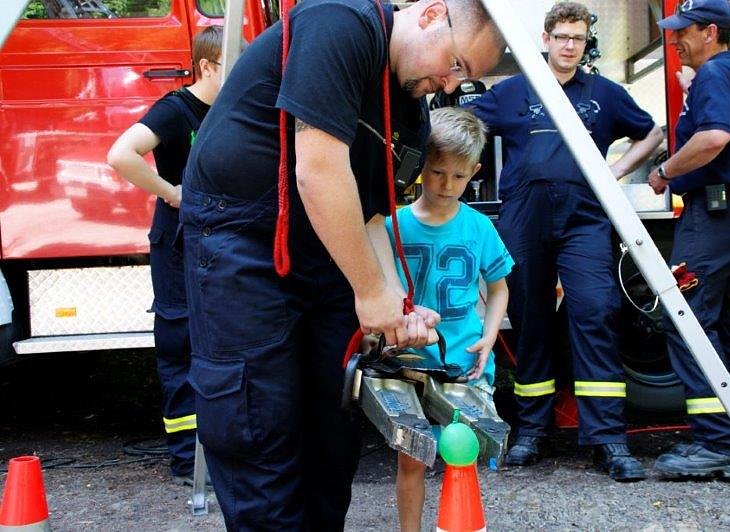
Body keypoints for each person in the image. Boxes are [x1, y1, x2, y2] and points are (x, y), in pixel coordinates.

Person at [178, 0, 505, 529]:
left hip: (327, 248)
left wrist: (396, 304)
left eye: (462, 78)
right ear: (430, 14)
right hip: (242, 237)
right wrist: (372, 293)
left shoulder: (409, 114)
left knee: (332, 433)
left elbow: (373, 219)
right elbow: (319, 167)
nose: (448, 84)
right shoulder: (342, 19)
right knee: (260, 424)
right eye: (457, 63)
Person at [468, 1, 663, 481]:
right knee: (531, 319)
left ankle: (608, 441)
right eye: (562, 37)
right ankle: (532, 432)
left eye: (577, 37)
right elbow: (463, 126)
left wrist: (614, 170)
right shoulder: (515, 90)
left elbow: (652, 132)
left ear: (585, 42)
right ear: (547, 38)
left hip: (584, 221)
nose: (569, 45)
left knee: (595, 311)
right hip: (524, 219)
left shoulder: (603, 94)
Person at [648, 0, 730, 479]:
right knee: (728, 325)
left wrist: (665, 170)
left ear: (711, 32)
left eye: (684, 31)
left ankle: (717, 443)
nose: (676, 40)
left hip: (715, 217)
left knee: (685, 321)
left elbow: (714, 137)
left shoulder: (716, 74)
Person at [106, 25, 223, 485]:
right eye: (231, 70)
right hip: (177, 245)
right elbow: (122, 154)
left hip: (217, 243)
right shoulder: (176, 110)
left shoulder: (231, 110)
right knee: (180, 348)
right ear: (208, 66)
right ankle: (184, 460)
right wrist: (172, 194)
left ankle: (217, 451)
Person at [388, 107, 513, 532]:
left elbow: (498, 288)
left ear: (474, 171)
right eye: (438, 172)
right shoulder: (391, 226)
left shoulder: (479, 227)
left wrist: (491, 336)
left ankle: (461, 524)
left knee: (464, 456)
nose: (447, 185)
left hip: (466, 364)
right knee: (412, 459)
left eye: (459, 176)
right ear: (422, 164)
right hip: (409, 367)